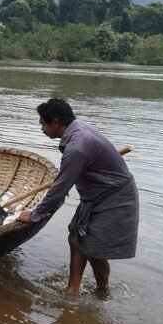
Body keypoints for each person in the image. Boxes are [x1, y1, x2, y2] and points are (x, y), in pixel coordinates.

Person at [17, 98, 139, 296]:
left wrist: (34, 215)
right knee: (76, 238)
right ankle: (73, 291)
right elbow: (65, 180)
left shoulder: (77, 147)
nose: (41, 128)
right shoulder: (77, 128)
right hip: (96, 195)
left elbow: (59, 189)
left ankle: (102, 291)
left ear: (55, 123)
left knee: (93, 248)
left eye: (42, 123)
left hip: (114, 197)